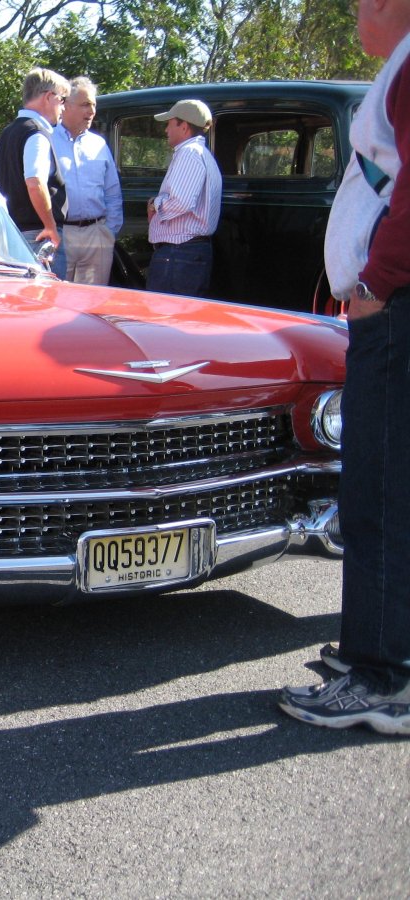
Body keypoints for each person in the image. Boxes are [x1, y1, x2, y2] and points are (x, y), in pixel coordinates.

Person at [278, 0, 410, 737]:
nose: (358, 12)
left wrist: (379, 280)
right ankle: (382, 652)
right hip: (393, 303)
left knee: (382, 492)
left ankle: (382, 677)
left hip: (396, 306)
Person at [0, 68, 70, 278]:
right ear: (48, 97)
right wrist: (50, 226)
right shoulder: (36, 133)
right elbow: (35, 182)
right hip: (38, 237)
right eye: (62, 100)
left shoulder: (7, 133)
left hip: (12, 236)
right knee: (47, 304)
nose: (63, 108)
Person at [145, 99, 222, 296]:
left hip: (179, 253)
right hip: (188, 253)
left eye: (170, 123)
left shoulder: (188, 153)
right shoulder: (202, 154)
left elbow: (182, 201)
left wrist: (155, 204)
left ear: (184, 126)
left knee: (165, 318)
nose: (166, 130)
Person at [51, 77, 123, 284]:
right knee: (58, 301)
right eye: (85, 105)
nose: (91, 111)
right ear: (65, 105)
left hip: (97, 234)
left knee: (93, 305)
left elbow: (112, 191)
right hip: (61, 234)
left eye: (93, 105)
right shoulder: (47, 139)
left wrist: (109, 232)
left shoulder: (98, 144)